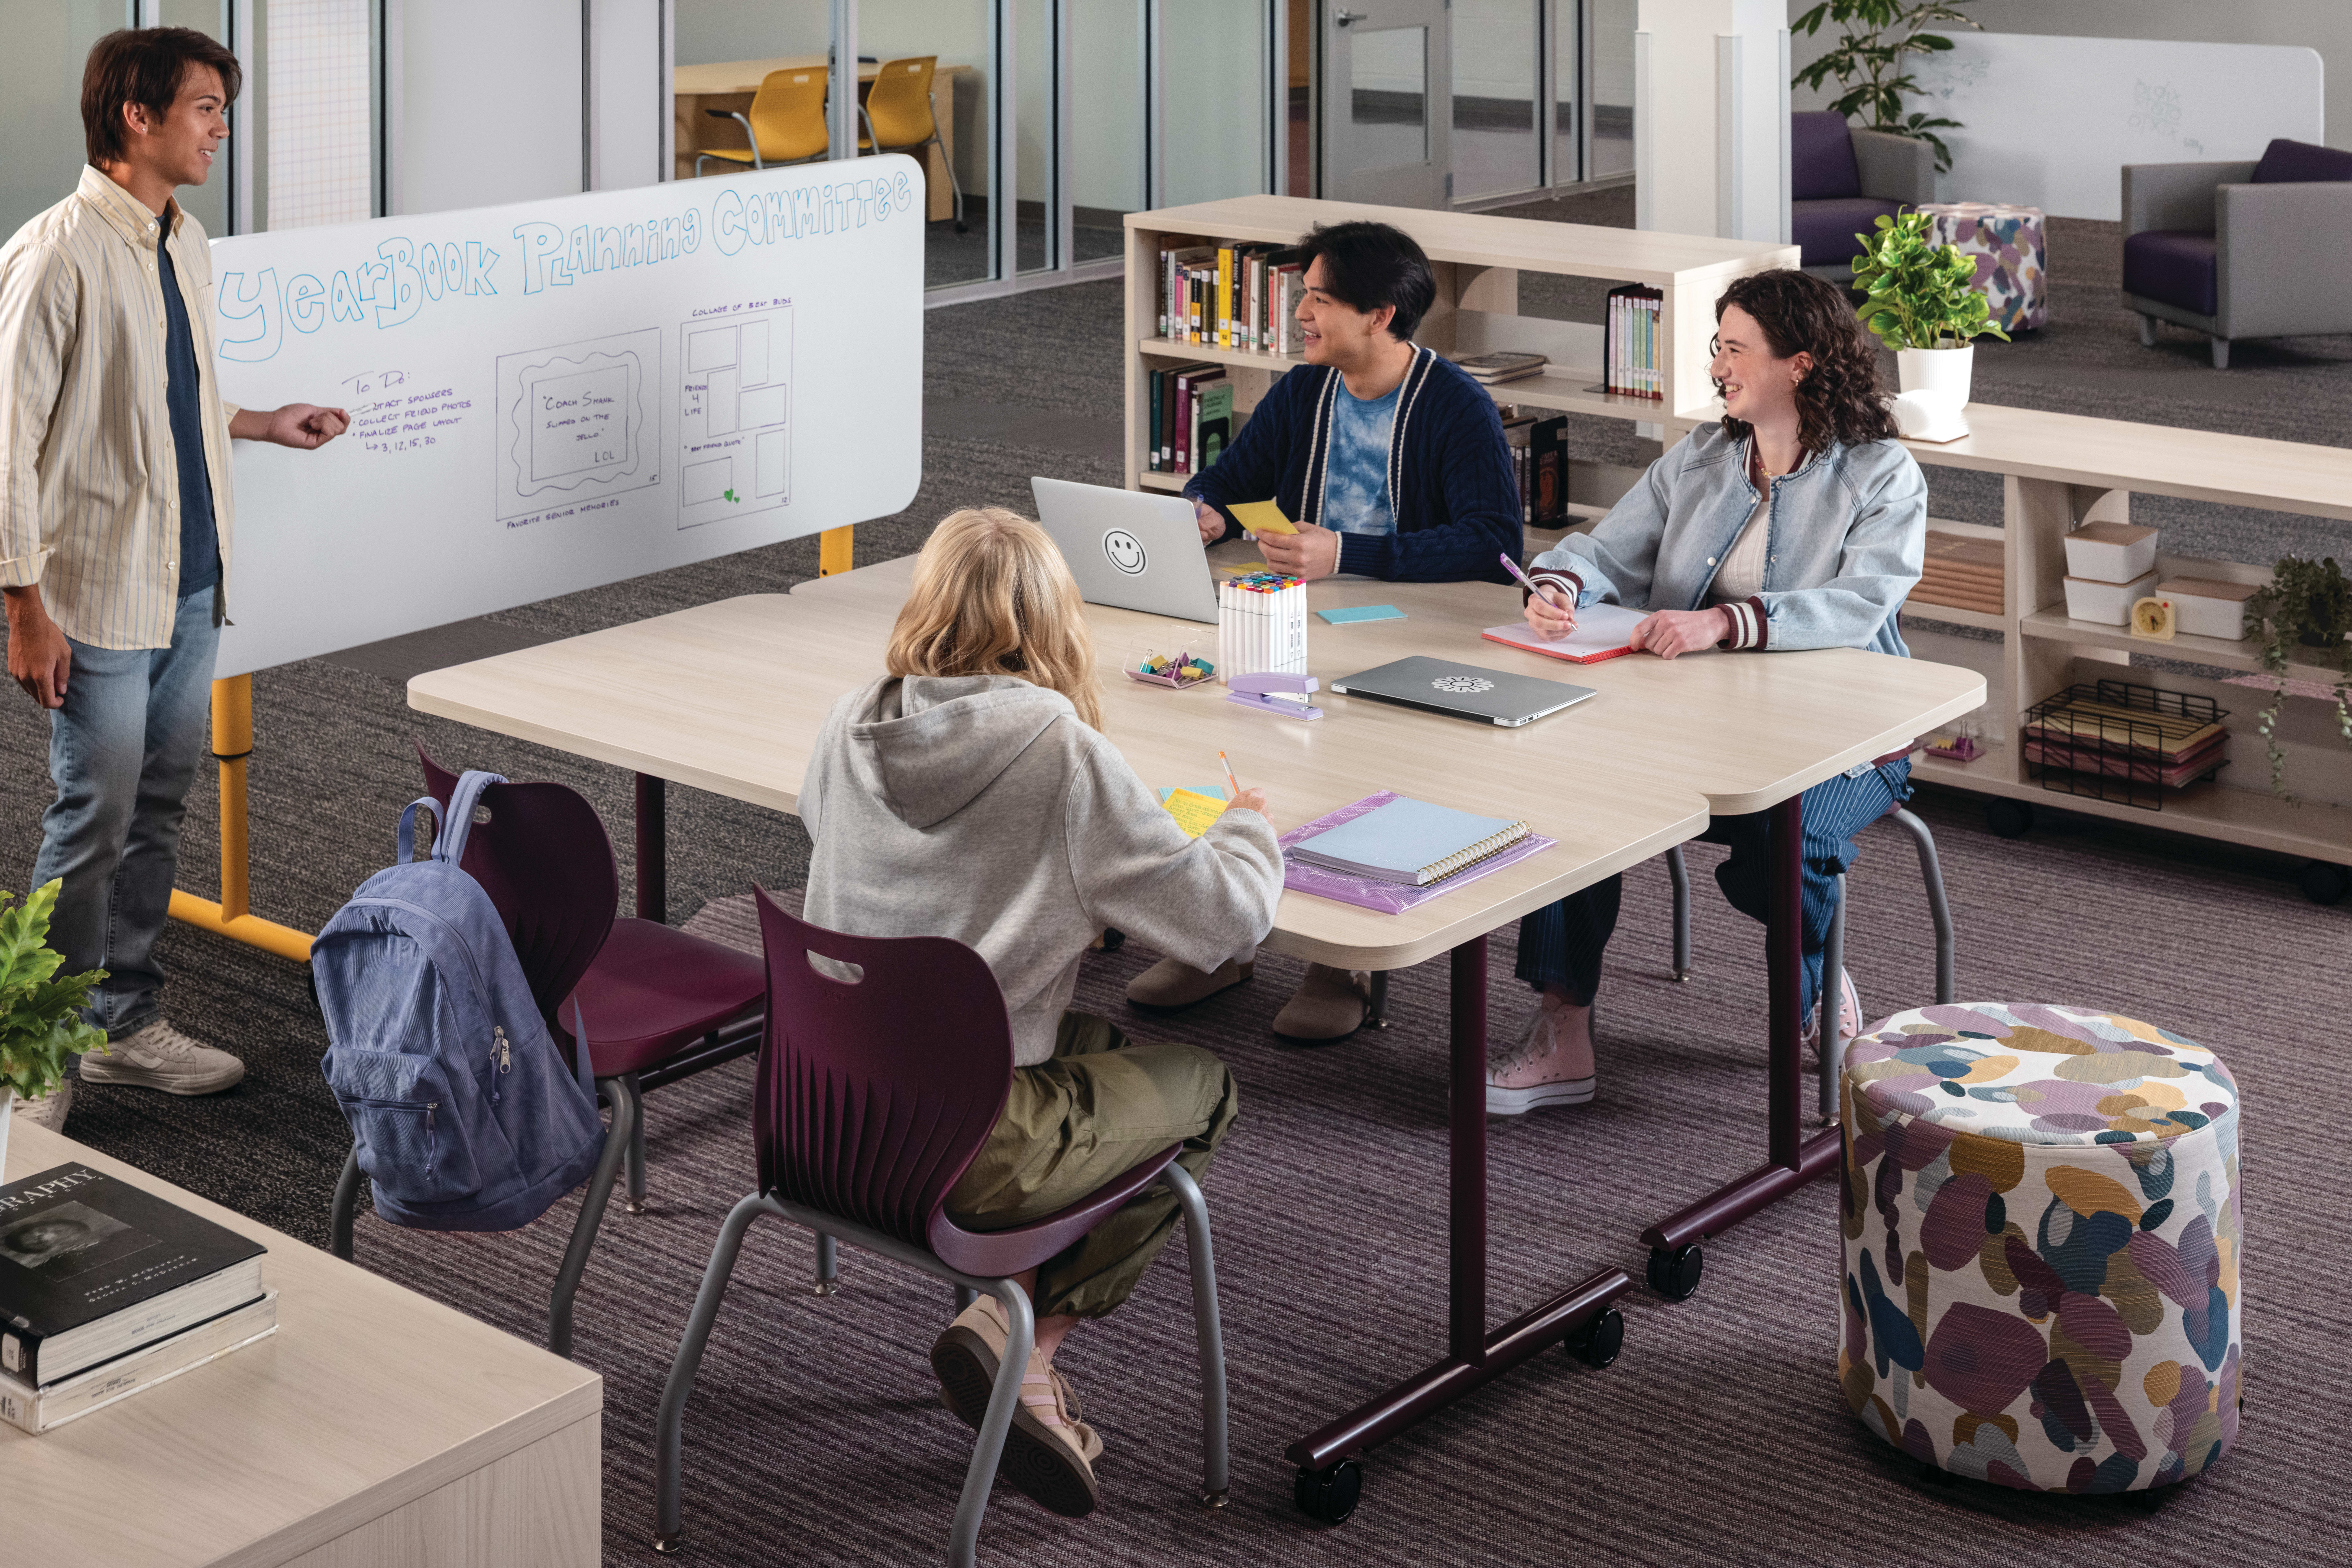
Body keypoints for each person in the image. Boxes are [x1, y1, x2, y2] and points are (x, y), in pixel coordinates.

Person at [797, 507, 1283, 1518]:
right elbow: (1224, 925)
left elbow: (849, 849)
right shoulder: (1062, 756)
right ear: (1057, 624)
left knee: (1097, 1045)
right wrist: (1247, 832)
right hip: (966, 1142)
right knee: (1202, 1089)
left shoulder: (847, 722)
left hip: (822, 1112)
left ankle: (1008, 1324)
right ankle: (1020, 1342)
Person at [0, 28, 350, 1133]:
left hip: (192, 582)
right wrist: (23, 606)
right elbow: (6, 443)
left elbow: (167, 392)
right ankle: (39, 1043)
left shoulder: (185, 240)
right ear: (136, 118)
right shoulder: (54, 253)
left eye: (223, 108)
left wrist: (257, 420)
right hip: (93, 596)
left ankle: (122, 1021)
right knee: (90, 815)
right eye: (205, 107)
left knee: (158, 805)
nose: (222, 129)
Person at [1489, 267, 1927, 1116]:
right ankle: (1562, 1029)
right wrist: (1563, 587)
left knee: (1782, 841)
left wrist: (1727, 625)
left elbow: (1863, 600)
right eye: (1716, 347)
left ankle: (1814, 982)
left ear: (1799, 363)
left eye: (1734, 349)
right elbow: (1606, 549)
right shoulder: (1701, 456)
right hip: (1695, 729)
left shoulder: (1881, 473)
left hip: (1848, 739)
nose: (1716, 366)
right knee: (1577, 804)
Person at [1131, 219, 1523, 1042]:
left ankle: (1338, 961)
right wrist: (1202, 509)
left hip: (1413, 636)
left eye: (1318, 299)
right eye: (1303, 295)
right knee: (1210, 737)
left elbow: (1495, 545)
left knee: (1349, 760)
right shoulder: (1306, 389)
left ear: (1379, 315)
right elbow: (1232, 477)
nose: (1300, 314)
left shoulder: (1455, 405)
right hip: (1305, 619)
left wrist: (1347, 550)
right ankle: (1220, 934)